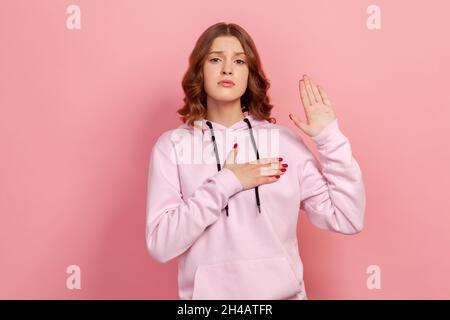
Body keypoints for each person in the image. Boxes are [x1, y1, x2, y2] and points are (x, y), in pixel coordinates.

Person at [145, 22, 366, 300]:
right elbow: (161, 244)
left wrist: (330, 139)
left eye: (239, 61)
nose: (227, 69)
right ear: (199, 70)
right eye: (215, 59)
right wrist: (228, 182)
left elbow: (348, 217)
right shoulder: (172, 146)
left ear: (249, 74)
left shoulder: (283, 143)